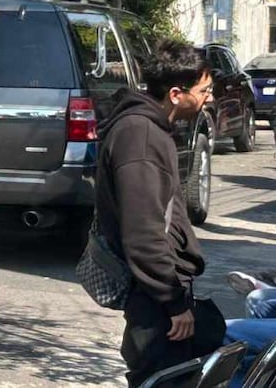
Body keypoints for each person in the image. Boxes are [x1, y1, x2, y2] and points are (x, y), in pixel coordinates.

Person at [95, 39, 226, 387]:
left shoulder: (150, 129)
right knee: (162, 379)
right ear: (175, 94)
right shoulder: (139, 137)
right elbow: (144, 233)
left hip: (158, 295)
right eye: (205, 90)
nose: (209, 98)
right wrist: (173, 302)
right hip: (154, 301)